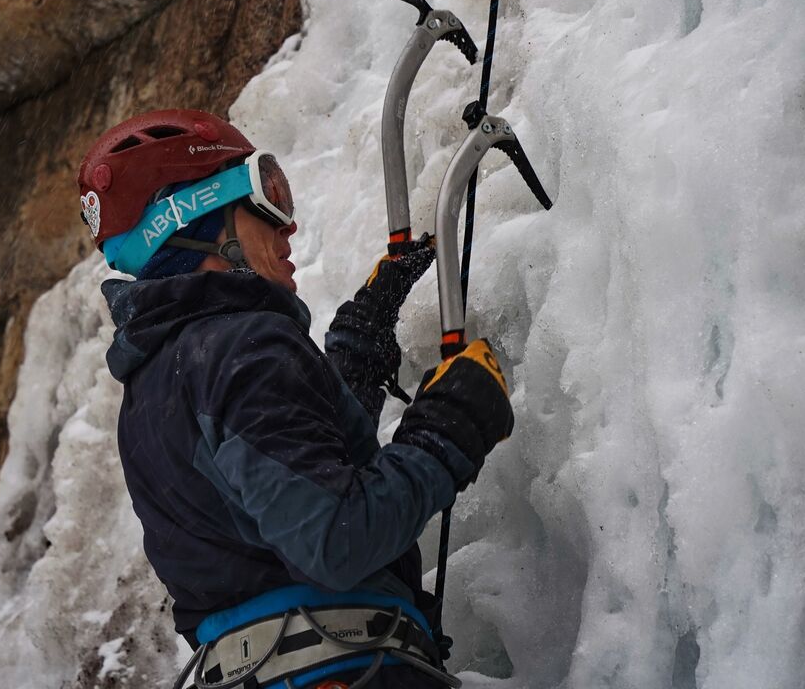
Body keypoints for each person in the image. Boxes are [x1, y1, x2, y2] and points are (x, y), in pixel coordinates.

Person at [78, 109, 514, 688]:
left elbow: (271, 500)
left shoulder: (157, 383)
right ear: (196, 218)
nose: (289, 229)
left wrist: (352, 358)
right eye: (269, 197)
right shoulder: (244, 348)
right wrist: (450, 424)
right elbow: (336, 540)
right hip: (346, 669)